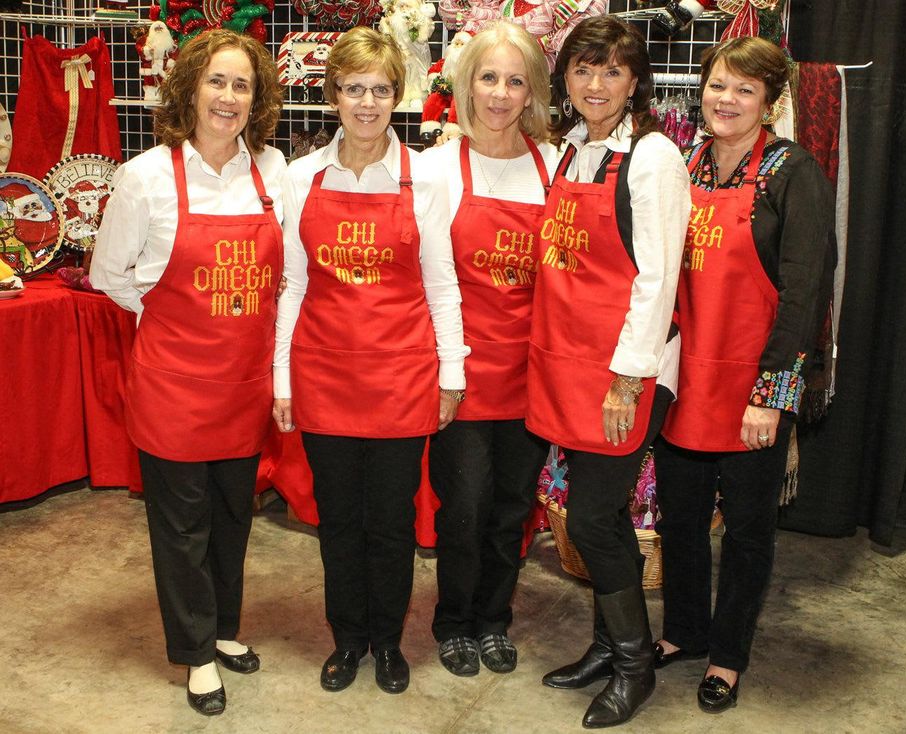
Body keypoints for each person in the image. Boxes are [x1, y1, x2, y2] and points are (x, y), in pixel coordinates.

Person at [90, 29, 285, 716]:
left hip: (242, 384)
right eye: (216, 82)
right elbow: (107, 275)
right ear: (189, 88)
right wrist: (170, 318)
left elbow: (284, 282)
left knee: (235, 515)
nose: (228, 97)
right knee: (182, 525)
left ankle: (222, 627)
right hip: (173, 384)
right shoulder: (145, 176)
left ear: (257, 98)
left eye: (242, 85)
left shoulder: (273, 171)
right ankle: (197, 652)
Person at [271, 27, 467, 696]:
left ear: (397, 97)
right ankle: (347, 639)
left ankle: (387, 640)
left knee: (389, 524)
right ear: (333, 96)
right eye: (353, 89)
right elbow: (292, 283)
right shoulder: (302, 178)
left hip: (399, 379)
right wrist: (281, 379)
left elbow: (442, 283)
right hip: (323, 376)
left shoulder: (427, 179)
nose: (366, 104)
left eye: (380, 90)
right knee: (338, 522)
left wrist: (451, 376)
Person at [653, 36, 836, 714]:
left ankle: (728, 656)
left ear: (771, 102)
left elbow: (803, 296)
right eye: (718, 85)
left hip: (753, 389)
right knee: (681, 521)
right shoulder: (686, 163)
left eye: (744, 91)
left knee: (750, 533)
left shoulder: (793, 173)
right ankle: (683, 631)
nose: (725, 100)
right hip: (685, 382)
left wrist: (772, 396)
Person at [526, 15, 691, 729]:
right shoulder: (572, 153)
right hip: (573, 360)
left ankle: (634, 664)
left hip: (630, 368)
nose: (596, 84)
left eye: (612, 72)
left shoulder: (653, 159)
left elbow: (658, 279)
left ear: (636, 83)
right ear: (565, 79)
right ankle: (604, 645)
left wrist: (628, 381)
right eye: (584, 70)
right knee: (598, 518)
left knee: (593, 516)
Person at [419, 22, 557, 678]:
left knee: (511, 508)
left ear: (532, 91)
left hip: (532, 375)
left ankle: (494, 619)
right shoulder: (437, 168)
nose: (500, 93)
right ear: (466, 83)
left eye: (514, 80)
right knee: (465, 505)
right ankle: (454, 620)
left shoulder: (554, 167)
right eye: (489, 77)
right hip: (463, 373)